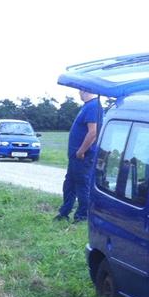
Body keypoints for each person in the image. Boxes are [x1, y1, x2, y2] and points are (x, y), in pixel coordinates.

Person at [56, 89, 102, 222]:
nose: (78, 93)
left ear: (84, 91)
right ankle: (64, 213)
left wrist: (81, 151)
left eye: (79, 91)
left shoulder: (94, 106)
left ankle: (82, 216)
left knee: (82, 186)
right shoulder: (87, 106)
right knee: (69, 184)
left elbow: (93, 132)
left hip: (83, 156)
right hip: (75, 157)